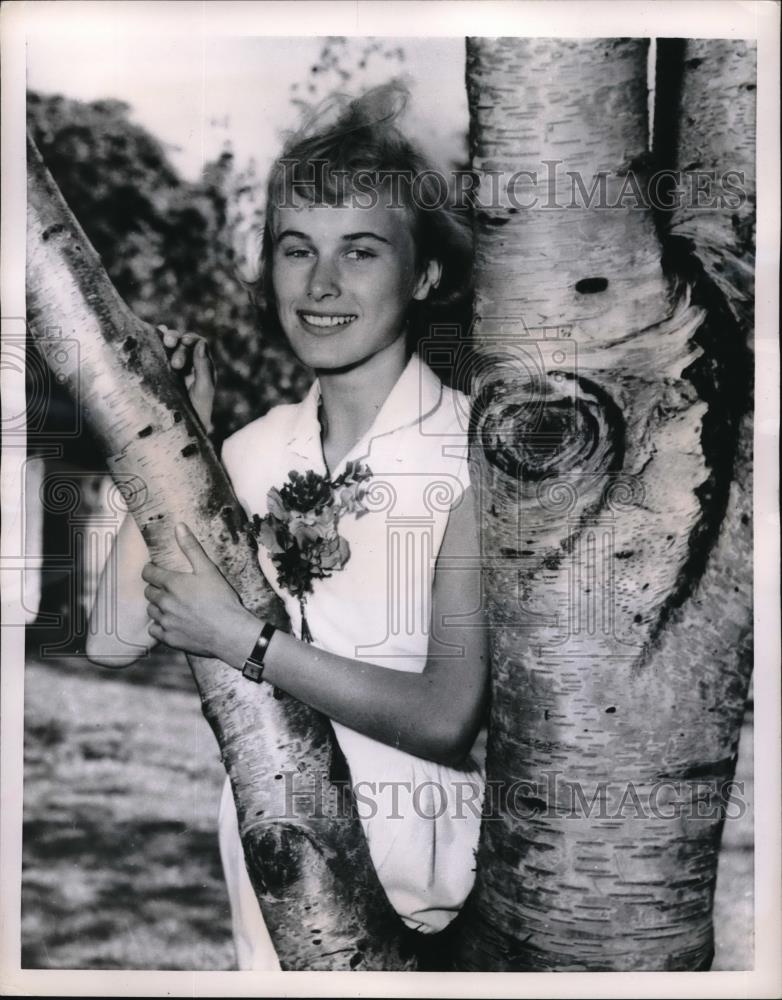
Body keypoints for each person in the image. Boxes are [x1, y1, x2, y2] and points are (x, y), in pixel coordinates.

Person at [86, 82, 488, 971]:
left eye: (361, 252)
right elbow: (113, 639)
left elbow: (445, 715)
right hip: (273, 884)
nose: (321, 284)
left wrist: (245, 641)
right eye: (295, 249)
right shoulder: (256, 449)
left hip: (424, 904)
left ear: (423, 274)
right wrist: (171, 443)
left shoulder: (474, 457)